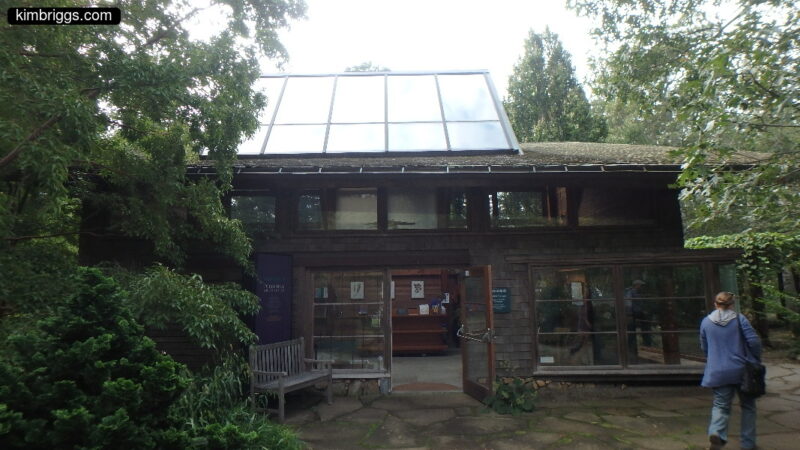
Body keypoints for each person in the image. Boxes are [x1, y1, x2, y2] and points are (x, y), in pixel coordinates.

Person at [700, 291, 762, 450]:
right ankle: (748, 444)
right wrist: (755, 358)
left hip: (718, 371)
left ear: (715, 303)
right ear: (732, 304)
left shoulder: (706, 322)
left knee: (721, 405)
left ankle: (717, 433)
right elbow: (754, 342)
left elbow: (704, 347)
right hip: (743, 371)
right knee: (748, 406)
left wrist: (714, 358)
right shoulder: (740, 320)